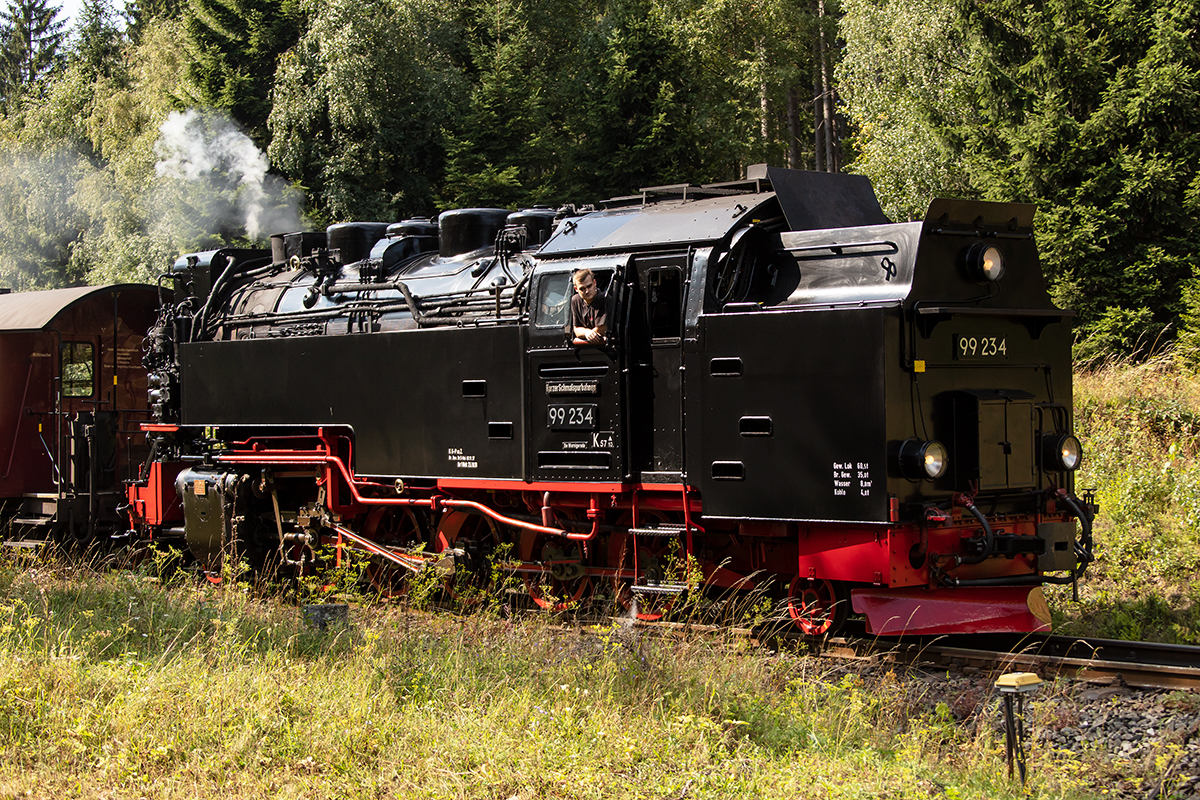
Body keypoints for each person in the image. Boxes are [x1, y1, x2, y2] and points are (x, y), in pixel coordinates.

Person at [568, 268, 609, 345]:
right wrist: (586, 332)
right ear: (576, 289)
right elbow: (576, 329)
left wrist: (590, 333)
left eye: (589, 286)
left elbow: (603, 327)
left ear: (594, 283)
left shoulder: (604, 299)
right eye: (582, 289)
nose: (587, 291)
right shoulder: (575, 300)